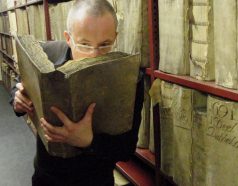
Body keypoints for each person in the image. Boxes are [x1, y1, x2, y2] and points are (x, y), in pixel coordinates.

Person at [10, 0, 144, 185]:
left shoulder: (129, 77)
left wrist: (89, 141)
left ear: (115, 37)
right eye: (84, 44)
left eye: (105, 44)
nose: (94, 55)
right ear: (68, 38)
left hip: (95, 179)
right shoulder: (46, 56)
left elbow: (126, 149)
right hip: (47, 176)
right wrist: (18, 101)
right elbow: (20, 83)